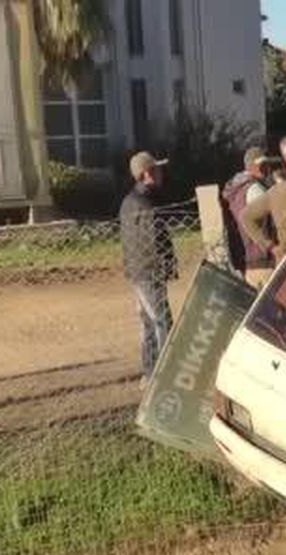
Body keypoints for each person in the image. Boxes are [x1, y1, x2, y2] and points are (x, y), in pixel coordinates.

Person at [120, 151, 176, 384]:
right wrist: (166, 265)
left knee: (148, 323)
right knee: (162, 322)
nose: (161, 173)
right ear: (147, 174)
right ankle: (164, 374)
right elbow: (154, 240)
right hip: (149, 272)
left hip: (137, 270)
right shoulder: (145, 203)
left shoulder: (130, 200)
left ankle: (151, 373)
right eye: (157, 169)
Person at [223, 146, 276, 288]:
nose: (268, 169)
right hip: (262, 258)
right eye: (264, 165)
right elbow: (274, 217)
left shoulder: (235, 189)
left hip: (246, 258)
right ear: (256, 166)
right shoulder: (255, 189)